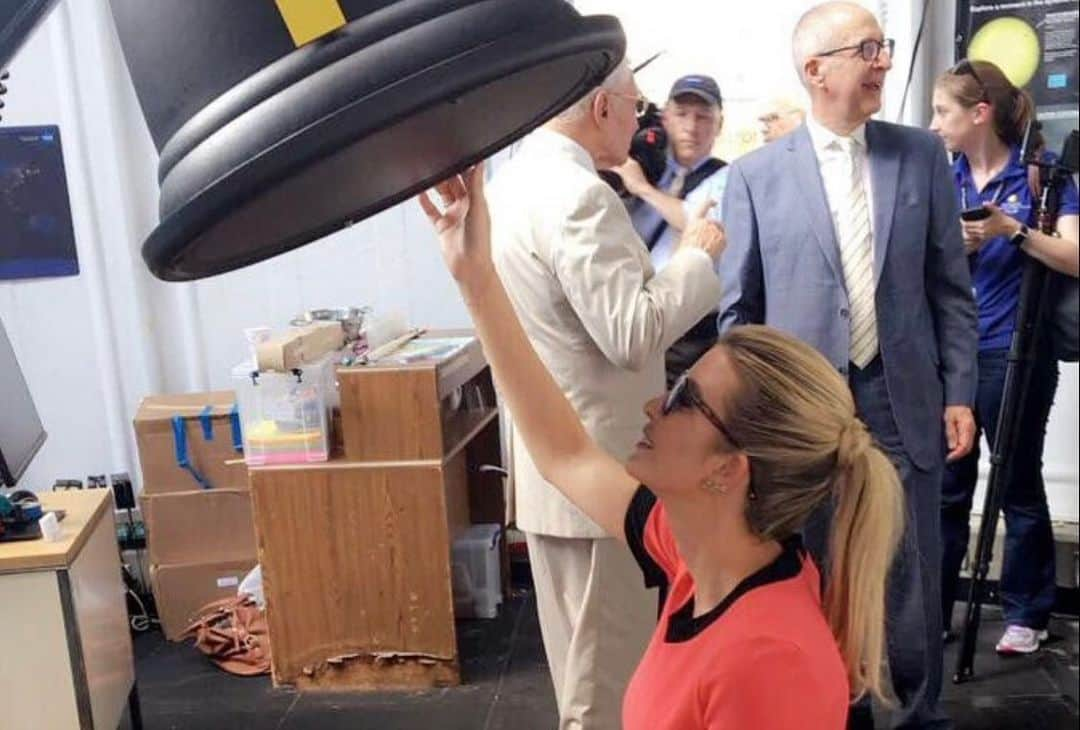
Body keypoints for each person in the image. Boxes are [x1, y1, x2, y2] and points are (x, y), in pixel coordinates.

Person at [419, 165, 905, 730]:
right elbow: (565, 453)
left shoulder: (769, 660)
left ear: (728, 469)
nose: (653, 407)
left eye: (682, 398)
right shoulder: (699, 558)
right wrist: (474, 276)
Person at [718, 3, 979, 728]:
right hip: (804, 416)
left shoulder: (921, 156)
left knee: (913, 570)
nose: (884, 62)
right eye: (867, 49)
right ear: (815, 70)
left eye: (884, 46)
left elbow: (947, 288)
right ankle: (826, 707)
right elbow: (740, 317)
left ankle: (915, 714)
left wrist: (958, 391)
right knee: (813, 567)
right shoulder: (755, 178)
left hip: (904, 401)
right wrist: (749, 424)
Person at [485, 60, 726, 730]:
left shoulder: (513, 181)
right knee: (608, 690)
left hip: (554, 468)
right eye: (635, 104)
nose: (642, 118)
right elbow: (630, 332)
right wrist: (697, 257)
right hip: (603, 478)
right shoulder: (577, 194)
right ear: (600, 107)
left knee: (582, 673)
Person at [930, 59, 1080, 655]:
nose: (935, 122)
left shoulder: (1043, 176)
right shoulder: (941, 178)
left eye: (944, 111)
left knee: (1016, 482)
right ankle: (934, 610)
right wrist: (954, 245)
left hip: (1018, 351)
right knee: (946, 485)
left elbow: (1073, 256)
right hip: (952, 354)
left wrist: (1010, 230)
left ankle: (1028, 613)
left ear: (979, 113)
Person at [619, 74, 730, 385]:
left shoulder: (728, 178)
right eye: (681, 114)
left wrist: (642, 189)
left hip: (691, 331)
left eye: (703, 117)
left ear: (719, 125)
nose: (691, 127)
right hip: (631, 317)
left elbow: (701, 225)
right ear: (665, 118)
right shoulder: (642, 165)